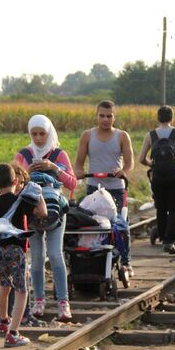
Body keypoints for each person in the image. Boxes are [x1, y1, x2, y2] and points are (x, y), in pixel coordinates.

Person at [14, 115, 76, 321]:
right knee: (37, 258)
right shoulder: (24, 154)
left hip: (55, 210)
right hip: (31, 213)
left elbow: (72, 184)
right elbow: (12, 185)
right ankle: (38, 300)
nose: (39, 138)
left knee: (56, 255)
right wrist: (27, 171)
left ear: (49, 133)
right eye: (34, 134)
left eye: (43, 134)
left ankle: (63, 302)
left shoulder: (59, 154)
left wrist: (54, 168)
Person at [0, 164, 47, 347]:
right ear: (15, 181)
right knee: (22, 291)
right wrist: (39, 194)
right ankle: (13, 333)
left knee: (4, 286)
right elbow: (42, 213)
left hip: (0, 251)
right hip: (16, 251)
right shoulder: (20, 200)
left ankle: (4, 321)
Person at [74, 100, 135, 275]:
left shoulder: (122, 136)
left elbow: (130, 163)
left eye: (109, 116)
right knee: (91, 224)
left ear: (114, 117)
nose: (105, 120)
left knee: (119, 224)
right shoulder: (87, 135)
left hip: (115, 187)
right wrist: (78, 172)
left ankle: (126, 261)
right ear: (96, 116)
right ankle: (89, 258)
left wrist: (123, 171)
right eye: (102, 116)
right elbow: (79, 163)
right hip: (94, 187)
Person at [139, 105, 175, 254]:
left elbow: (141, 158)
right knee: (174, 209)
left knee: (161, 209)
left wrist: (152, 164)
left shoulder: (150, 135)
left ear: (158, 118)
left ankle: (163, 237)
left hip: (157, 177)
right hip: (174, 176)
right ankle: (170, 241)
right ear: (172, 118)